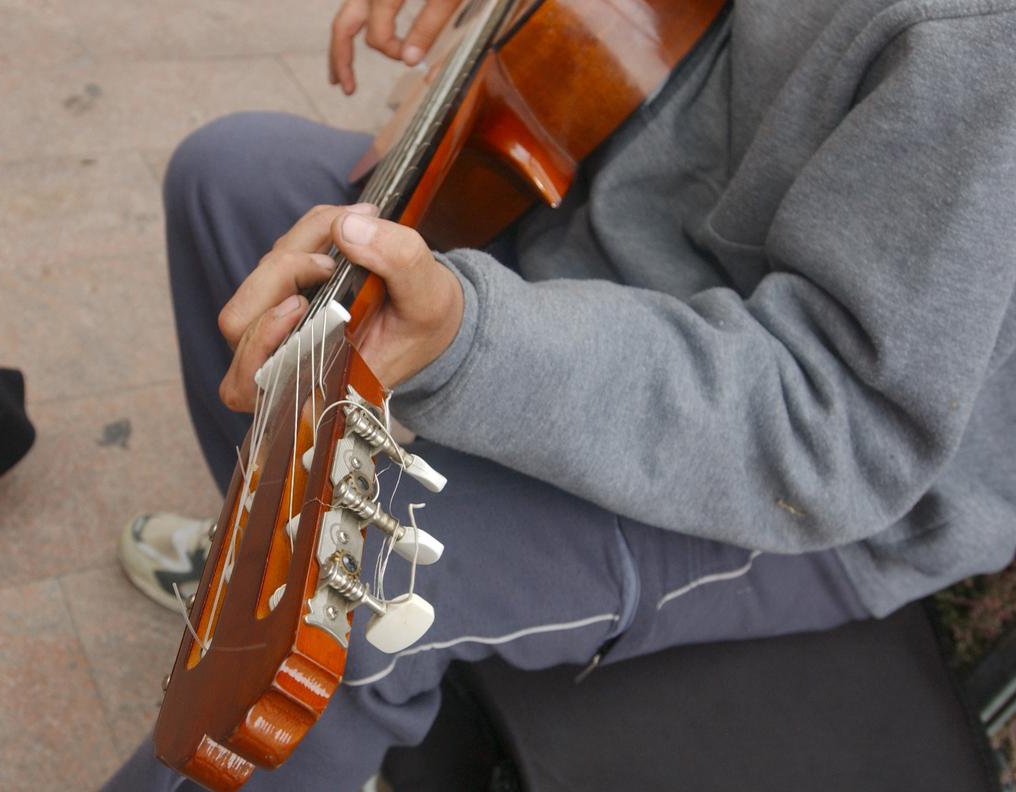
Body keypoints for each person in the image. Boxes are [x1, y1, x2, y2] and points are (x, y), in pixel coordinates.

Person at [104, 0, 1016, 788]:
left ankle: (293, 671)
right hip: (611, 238)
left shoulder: (979, 43)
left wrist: (474, 341)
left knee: (351, 582)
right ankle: (253, 552)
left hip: (815, 475)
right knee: (227, 176)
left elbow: (840, 427)